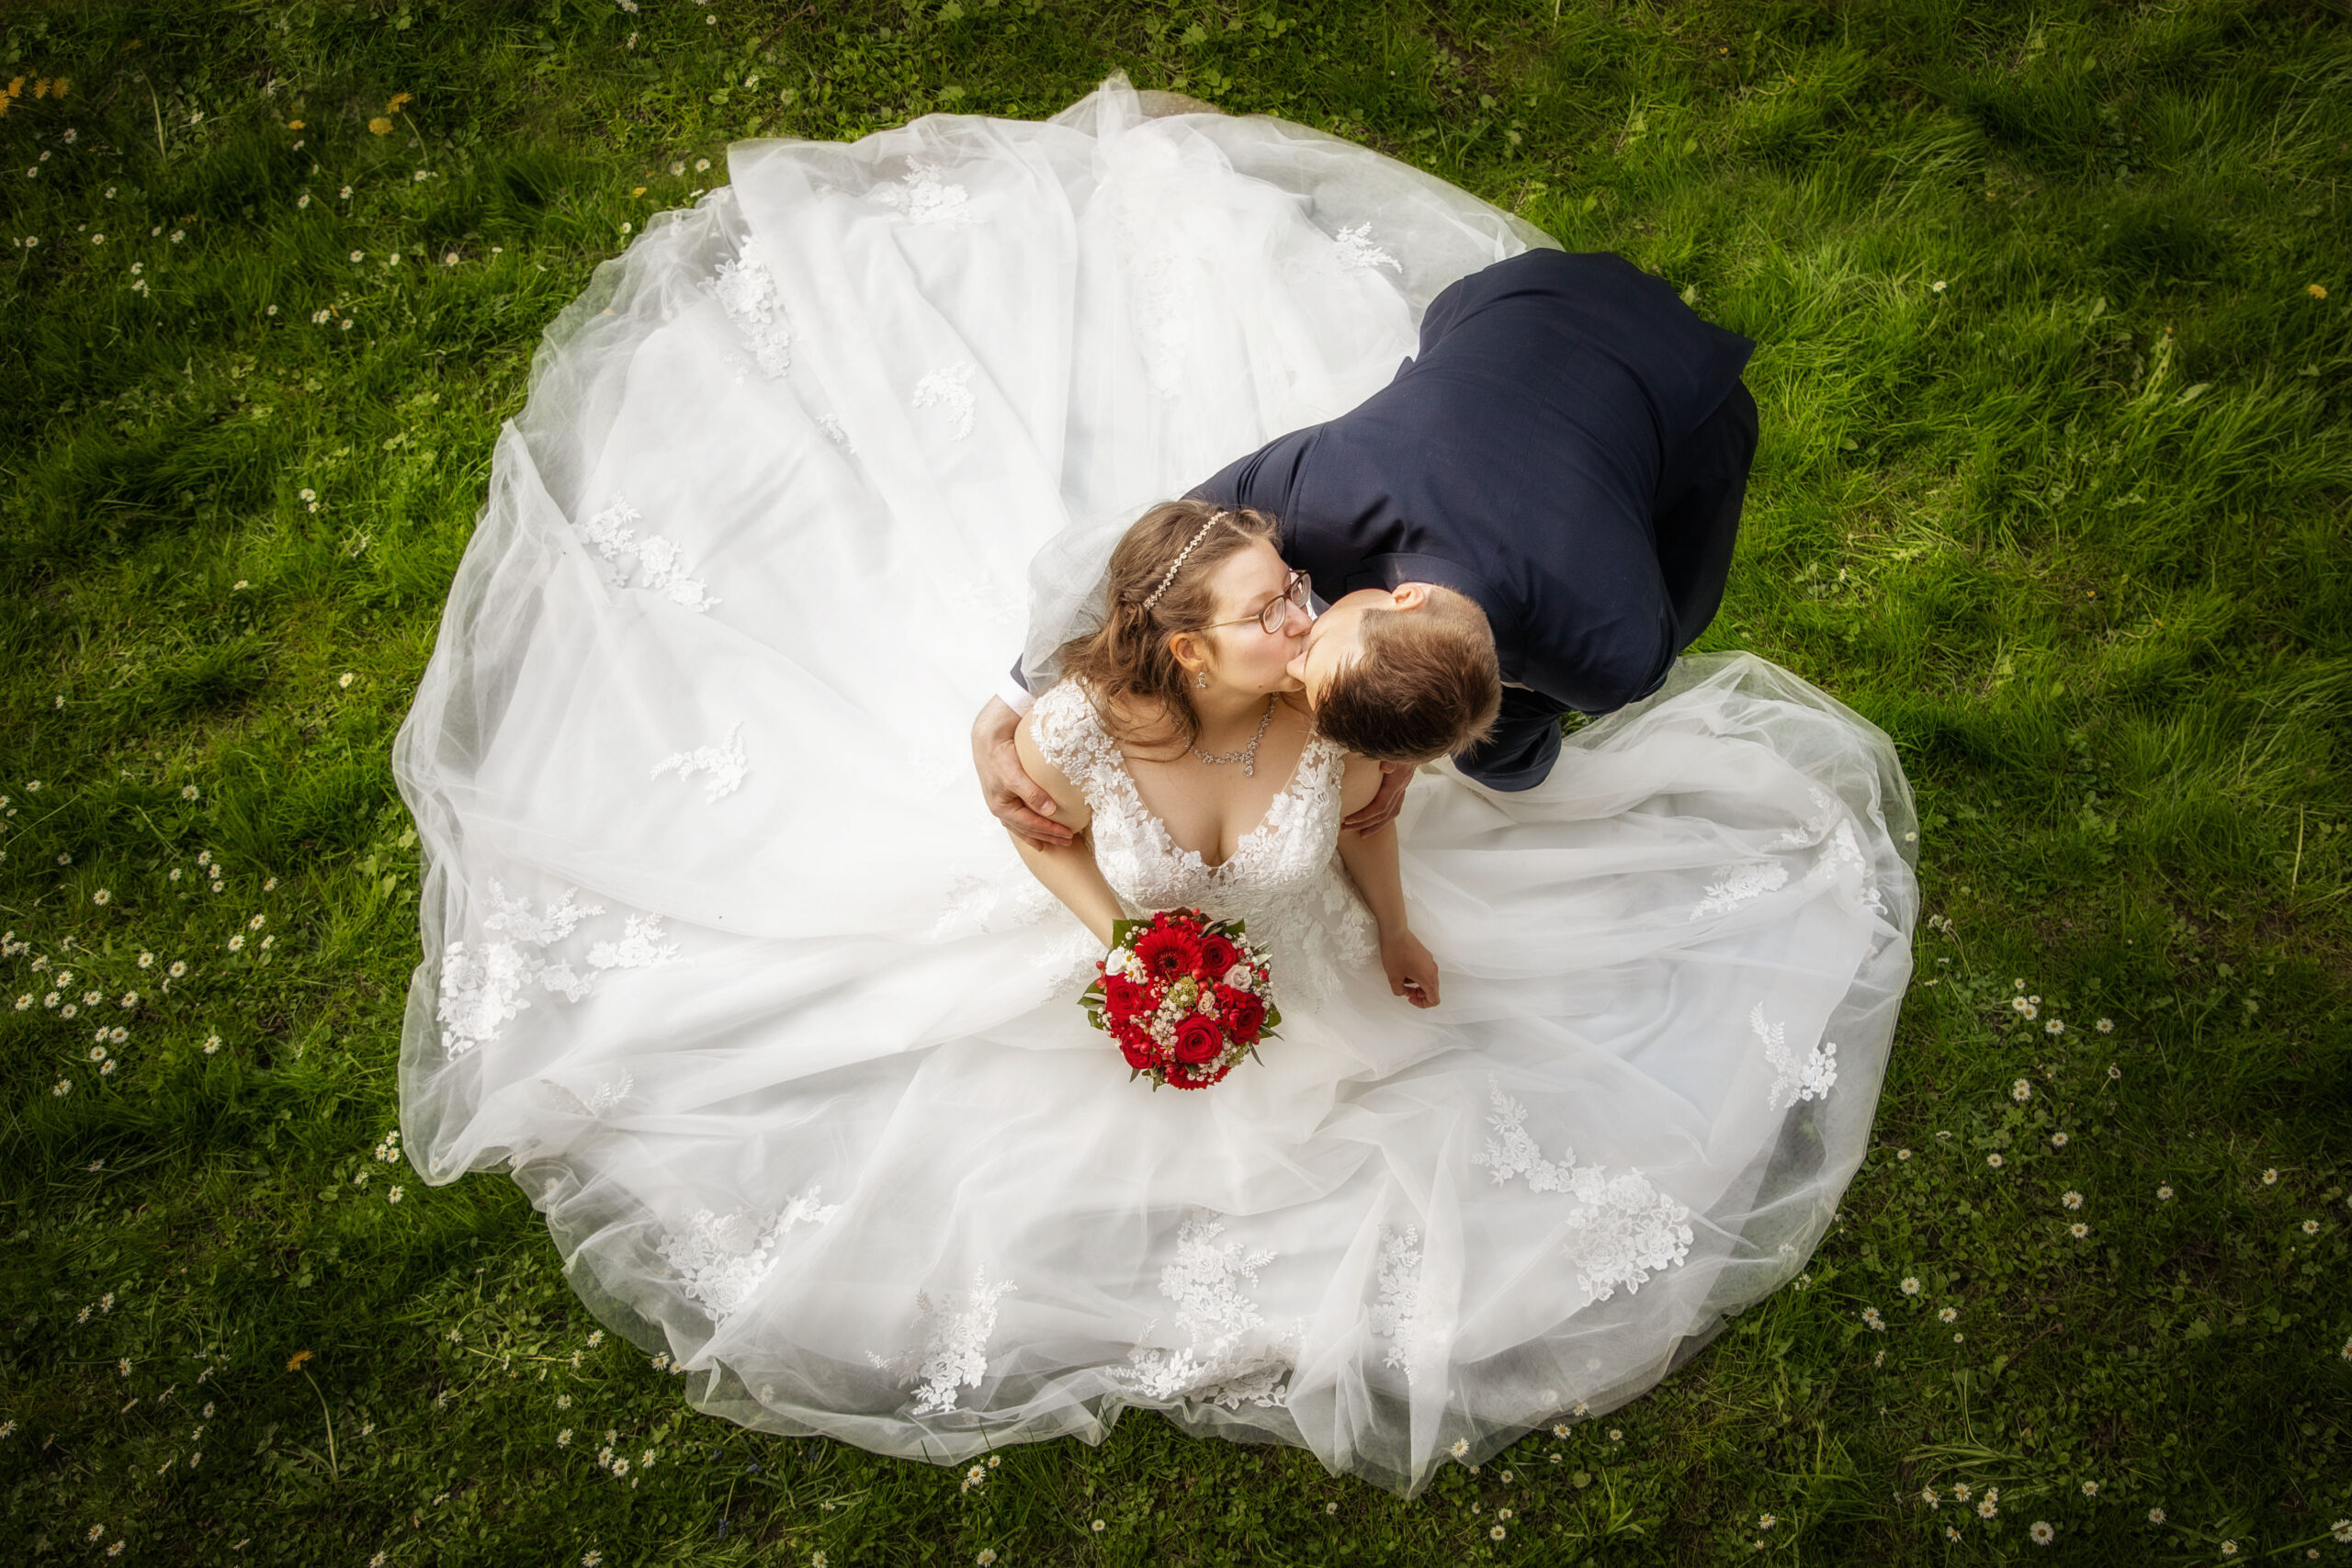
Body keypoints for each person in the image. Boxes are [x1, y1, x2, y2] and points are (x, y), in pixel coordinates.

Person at [391, 73, 1917, 1500]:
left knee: (1601, 625)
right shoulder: (1267, 552)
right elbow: (1112, 684)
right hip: (1498, 339)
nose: (1300, 611)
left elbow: (1397, 808)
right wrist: (1120, 925)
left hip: (1671, 422)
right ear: (1196, 637)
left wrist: (1411, 891)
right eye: (1279, 616)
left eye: (1304, 615)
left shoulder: (1599, 636)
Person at [971, 246, 1759, 850]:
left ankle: (1497, 751)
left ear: (1406, 597)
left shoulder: (1617, 646)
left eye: (1309, 639)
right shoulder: (1331, 488)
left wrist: (1431, 736)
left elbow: (1584, 668)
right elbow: (1168, 545)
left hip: (1686, 394)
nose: (1292, 642)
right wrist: (1012, 700)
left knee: (1505, 761)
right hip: (1517, 306)